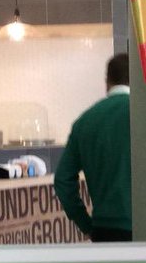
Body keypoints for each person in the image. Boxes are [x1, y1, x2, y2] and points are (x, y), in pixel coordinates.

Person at [54, 53, 132, 242]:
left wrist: (86, 225)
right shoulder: (144, 115)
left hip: (105, 231)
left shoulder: (84, 122)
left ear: (107, 81)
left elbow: (62, 180)